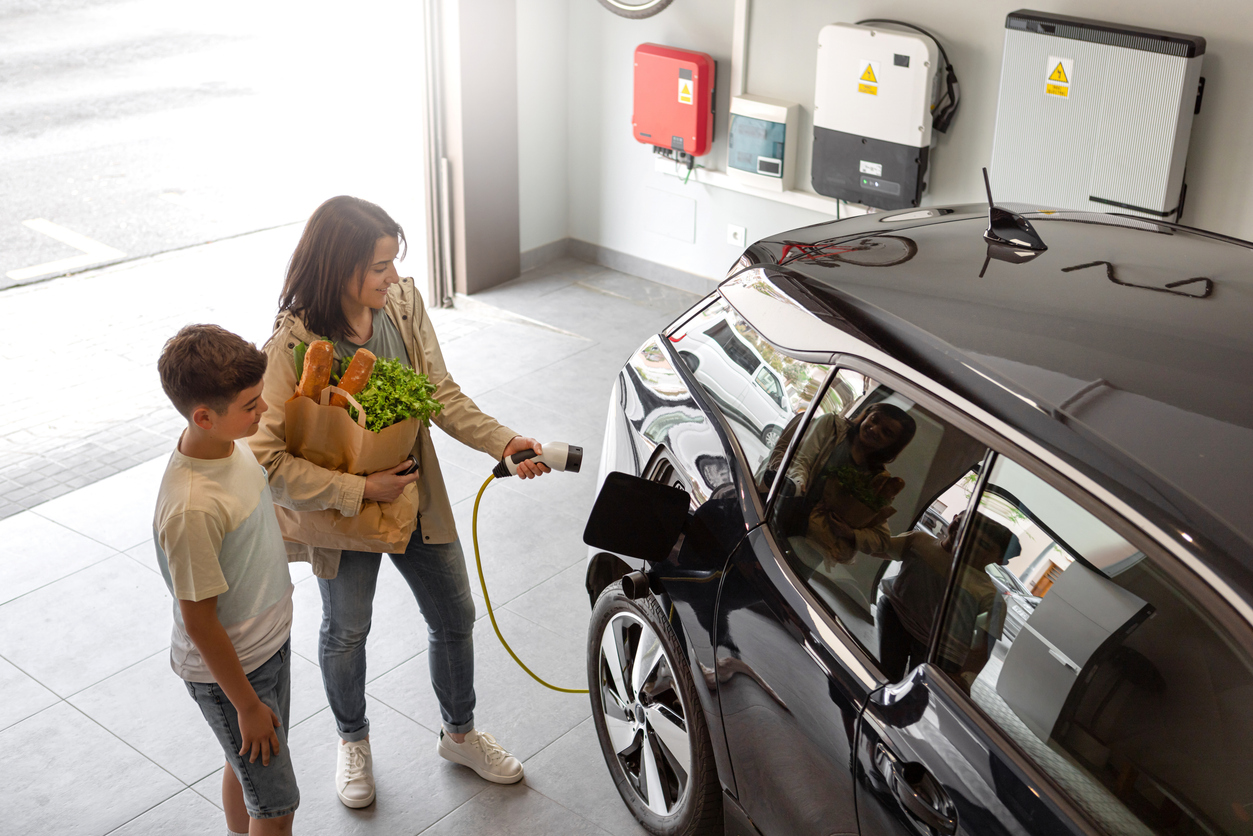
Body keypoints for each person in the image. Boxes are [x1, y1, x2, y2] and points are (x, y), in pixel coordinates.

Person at [250, 196, 548, 809]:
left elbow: (441, 393)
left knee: (455, 617)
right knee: (346, 632)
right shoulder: (292, 343)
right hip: (341, 516)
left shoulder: (404, 306)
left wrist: (502, 441)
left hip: (415, 496)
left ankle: (460, 735)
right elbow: (267, 461)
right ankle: (352, 741)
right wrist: (360, 489)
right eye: (380, 267)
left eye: (394, 262)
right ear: (339, 266)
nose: (394, 277)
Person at [153, 324, 298, 836]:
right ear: (203, 416)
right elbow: (199, 621)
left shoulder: (229, 446)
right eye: (251, 405)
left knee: (246, 771)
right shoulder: (192, 507)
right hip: (234, 674)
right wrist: (246, 705)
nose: (264, 410)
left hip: (267, 648)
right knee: (276, 808)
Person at [876, 511, 1014, 684]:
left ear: (1001, 560)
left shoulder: (990, 597)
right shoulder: (919, 541)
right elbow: (879, 547)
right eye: (961, 523)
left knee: (914, 690)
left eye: (983, 544)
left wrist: (964, 678)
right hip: (897, 619)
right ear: (954, 517)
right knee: (888, 677)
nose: (963, 532)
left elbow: (982, 648)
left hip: (941, 650)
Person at [784, 403, 917, 567]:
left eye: (886, 432)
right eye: (874, 420)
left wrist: (851, 534)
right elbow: (801, 460)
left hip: (813, 549)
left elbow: (882, 538)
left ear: (894, 444)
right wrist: (798, 483)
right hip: (784, 514)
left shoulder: (878, 478)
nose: (874, 429)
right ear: (866, 415)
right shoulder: (832, 427)